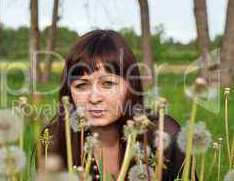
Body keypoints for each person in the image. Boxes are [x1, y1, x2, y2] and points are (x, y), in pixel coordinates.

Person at [43, 30, 192, 181]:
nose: (94, 98)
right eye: (81, 85)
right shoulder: (53, 141)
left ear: (131, 86)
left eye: (107, 83)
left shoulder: (164, 136)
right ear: (69, 93)